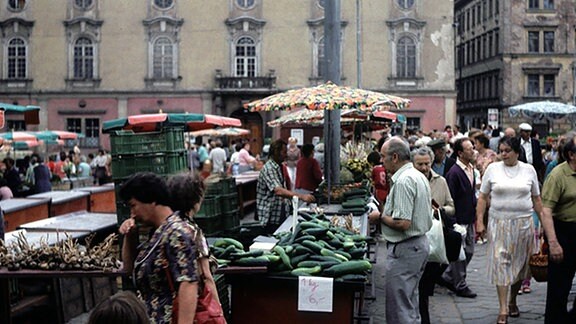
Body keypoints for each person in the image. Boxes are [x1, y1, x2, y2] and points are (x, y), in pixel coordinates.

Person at [475, 136, 554, 324]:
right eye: (501, 150)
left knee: (520, 265)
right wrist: (479, 221)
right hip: (499, 222)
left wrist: (542, 222)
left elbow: (536, 198)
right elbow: (483, 197)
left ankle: (512, 300)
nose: (503, 154)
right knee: (501, 262)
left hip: (523, 223)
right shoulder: (493, 169)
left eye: (507, 151)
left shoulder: (529, 170)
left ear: (517, 152)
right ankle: (502, 308)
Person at [118, 172, 199, 323]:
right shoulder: (156, 232)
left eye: (133, 206)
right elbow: (128, 269)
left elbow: (188, 282)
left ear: (152, 200)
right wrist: (130, 236)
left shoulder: (176, 233)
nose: (132, 214)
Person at [368, 136, 432, 323]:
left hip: (406, 248)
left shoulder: (404, 181)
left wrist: (379, 217)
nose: (381, 161)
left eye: (383, 156)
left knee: (400, 307)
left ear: (394, 157)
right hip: (417, 245)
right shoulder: (417, 176)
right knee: (409, 301)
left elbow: (403, 223)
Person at [412, 146, 455, 324]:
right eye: (419, 164)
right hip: (415, 237)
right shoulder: (408, 181)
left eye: (426, 164)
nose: (423, 168)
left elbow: (452, 207)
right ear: (413, 164)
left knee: (426, 284)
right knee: (417, 285)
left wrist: (441, 210)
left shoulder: (441, 181)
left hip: (436, 238)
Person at [168, 173, 224, 308]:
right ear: (194, 200)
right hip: (191, 304)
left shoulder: (165, 227)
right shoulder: (192, 232)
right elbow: (206, 276)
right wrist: (219, 311)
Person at [542, 132, 576, 323]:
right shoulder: (558, 175)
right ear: (571, 154)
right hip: (563, 232)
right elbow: (546, 211)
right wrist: (553, 243)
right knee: (559, 287)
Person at [439, 137, 478, 298]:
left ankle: (447, 276)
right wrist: (453, 222)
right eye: (469, 149)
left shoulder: (471, 168)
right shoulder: (454, 173)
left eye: (473, 147)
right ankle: (460, 284)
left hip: (469, 217)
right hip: (459, 219)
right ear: (460, 153)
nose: (473, 151)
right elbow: (451, 198)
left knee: (469, 251)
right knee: (460, 254)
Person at [256, 139, 314, 233]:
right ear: (276, 152)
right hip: (271, 216)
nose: (286, 154)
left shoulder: (278, 166)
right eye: (284, 152)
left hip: (279, 213)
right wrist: (301, 196)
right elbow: (278, 190)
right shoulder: (269, 168)